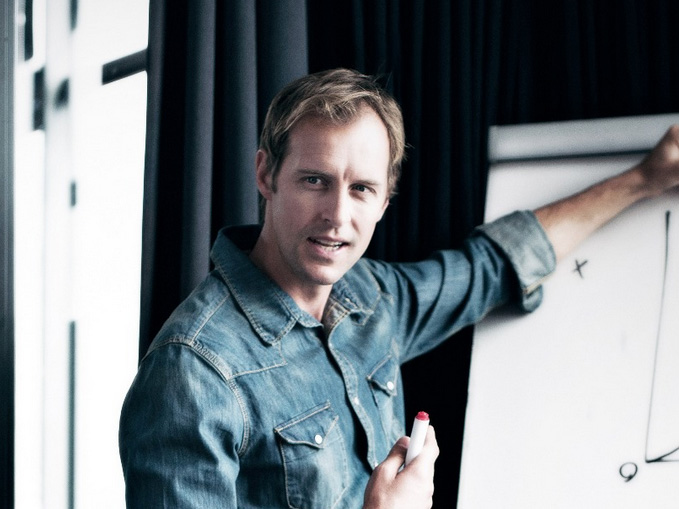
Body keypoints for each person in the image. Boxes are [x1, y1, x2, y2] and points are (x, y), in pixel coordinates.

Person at [119, 68, 679, 508]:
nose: (337, 216)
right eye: (315, 180)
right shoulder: (192, 372)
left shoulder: (372, 296)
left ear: (385, 202)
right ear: (266, 174)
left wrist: (644, 179)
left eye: (361, 189)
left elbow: (493, 265)